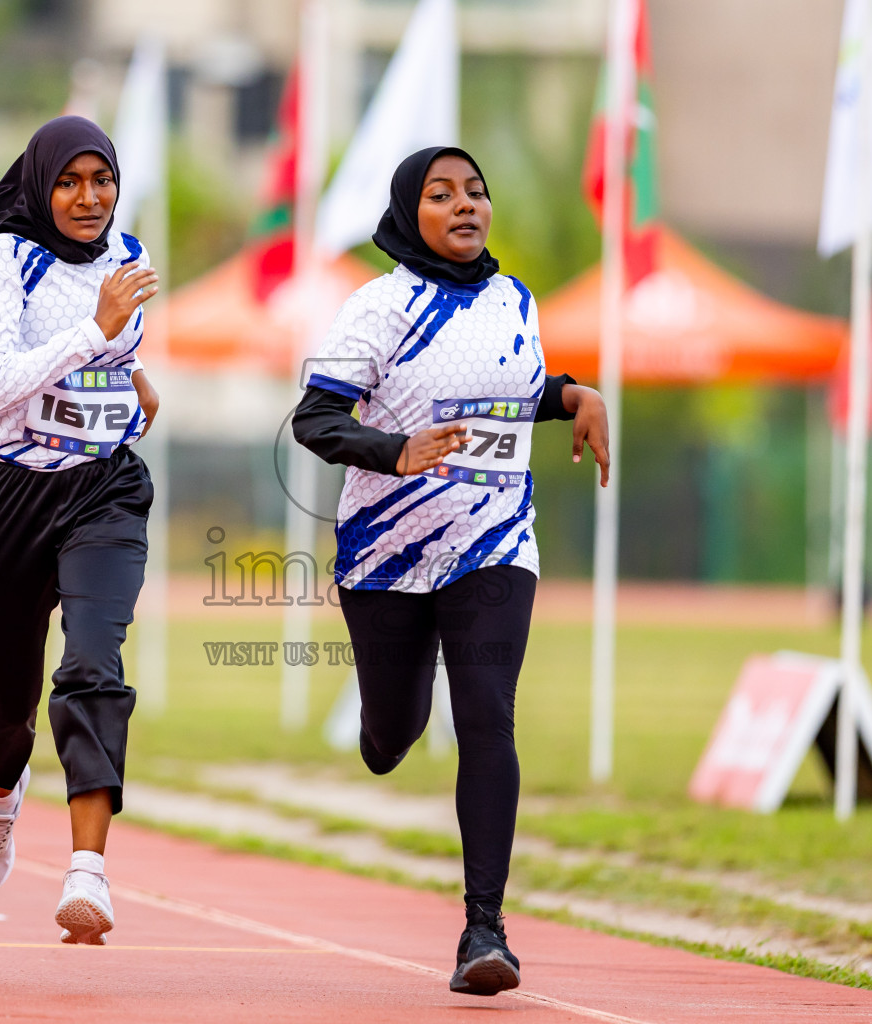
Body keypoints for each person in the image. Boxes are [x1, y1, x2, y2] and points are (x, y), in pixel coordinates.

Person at [292, 146, 610, 996]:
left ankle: (484, 930)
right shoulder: (380, 306)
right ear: (409, 213)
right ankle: (381, 725)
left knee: (487, 716)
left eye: (477, 190)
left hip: (494, 543)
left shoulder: (515, 300)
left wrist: (576, 395)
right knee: (393, 737)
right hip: (387, 556)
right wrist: (395, 452)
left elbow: (518, 390)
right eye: (442, 195)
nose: (466, 205)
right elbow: (314, 420)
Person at [0, 115, 160, 946]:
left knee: (92, 666)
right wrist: (97, 334)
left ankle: (88, 870)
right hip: (7, 497)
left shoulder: (130, 255)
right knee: (11, 695)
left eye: (101, 179)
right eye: (70, 182)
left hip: (104, 491)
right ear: (42, 186)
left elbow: (114, 349)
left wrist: (133, 376)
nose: (89, 198)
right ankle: (1, 794)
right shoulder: (7, 259)